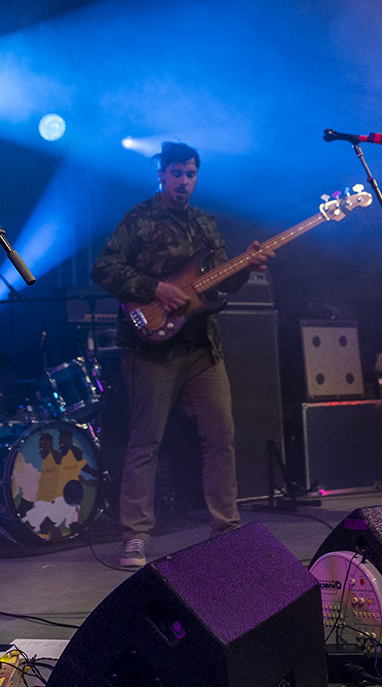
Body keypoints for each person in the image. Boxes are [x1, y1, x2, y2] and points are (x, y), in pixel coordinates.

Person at [91, 142, 267, 567]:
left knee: (220, 436)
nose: (183, 182)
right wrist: (155, 289)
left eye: (190, 174)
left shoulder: (206, 226)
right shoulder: (138, 219)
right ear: (161, 175)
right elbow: (103, 268)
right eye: (176, 174)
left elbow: (219, 287)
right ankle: (134, 535)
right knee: (145, 443)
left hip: (203, 346)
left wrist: (246, 267)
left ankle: (226, 529)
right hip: (150, 348)